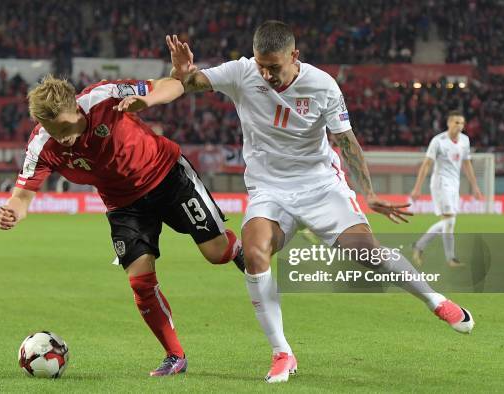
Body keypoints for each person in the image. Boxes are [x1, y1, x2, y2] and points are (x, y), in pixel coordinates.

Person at [119, 20, 476, 383]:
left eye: (274, 67)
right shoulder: (243, 72)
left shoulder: (322, 85)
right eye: (261, 65)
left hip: (321, 185)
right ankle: (282, 353)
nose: (266, 74)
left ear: (295, 56)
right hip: (269, 189)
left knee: (366, 254)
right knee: (255, 253)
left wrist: (367, 193)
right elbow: (190, 83)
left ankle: (435, 301)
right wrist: (180, 72)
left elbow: (347, 142)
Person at [0, 75, 245, 377]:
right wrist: (13, 210)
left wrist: (148, 100)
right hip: (124, 205)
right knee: (140, 280)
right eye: (51, 130)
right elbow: (22, 197)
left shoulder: (105, 97)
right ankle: (174, 355)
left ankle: (238, 248)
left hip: (168, 177)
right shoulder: (42, 143)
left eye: (63, 127)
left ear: (76, 109)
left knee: (216, 253)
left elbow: (169, 84)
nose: (60, 137)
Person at [411, 110, 484, 267]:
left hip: (454, 184)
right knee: (450, 220)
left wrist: (475, 186)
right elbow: (426, 165)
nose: (459, 126)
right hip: (440, 183)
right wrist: (417, 188)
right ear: (449, 123)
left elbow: (466, 164)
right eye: (456, 122)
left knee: (449, 222)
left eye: (462, 123)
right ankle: (450, 258)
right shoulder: (438, 141)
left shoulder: (465, 140)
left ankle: (419, 246)